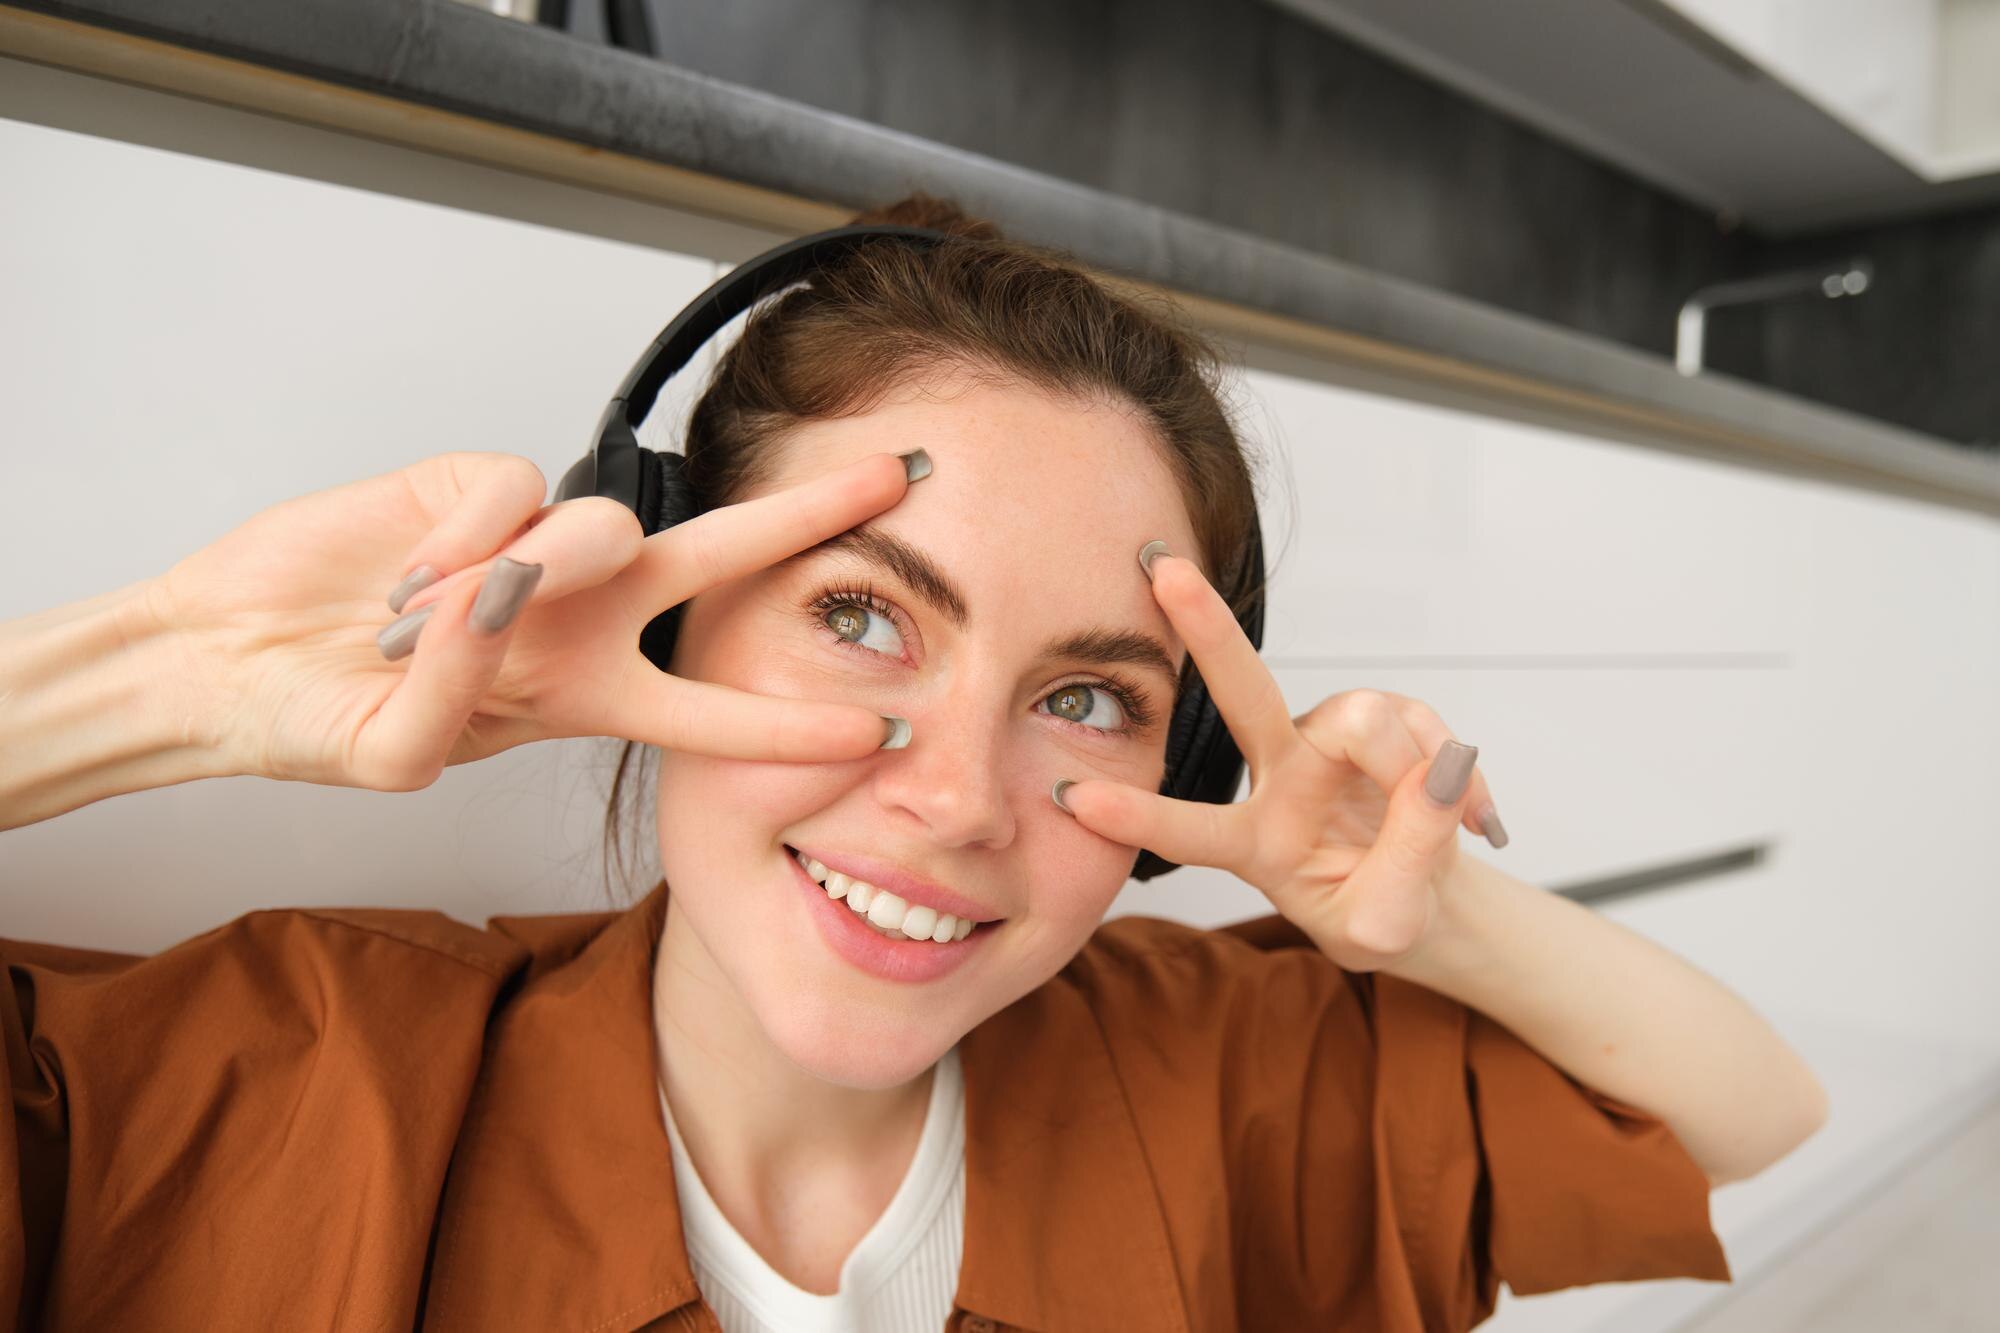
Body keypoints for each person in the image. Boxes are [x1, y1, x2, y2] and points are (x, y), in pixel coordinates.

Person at [0, 194, 1824, 1332]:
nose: (957, 799)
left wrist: (1430, 915)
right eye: (865, 614)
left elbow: (1749, 1114)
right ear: (666, 605)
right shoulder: (253, 1089)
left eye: (1087, 694)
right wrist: (178, 675)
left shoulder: (1210, 1071)